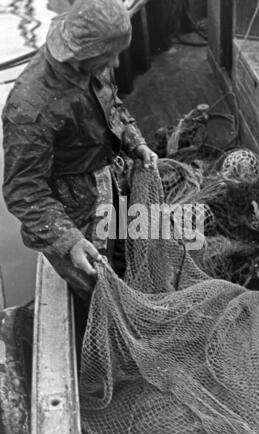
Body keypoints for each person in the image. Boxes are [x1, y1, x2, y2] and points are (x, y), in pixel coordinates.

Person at [2, 0, 158, 305]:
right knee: (100, 294)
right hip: (73, 213)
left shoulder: (92, 63)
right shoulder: (30, 108)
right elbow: (23, 190)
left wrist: (133, 140)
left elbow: (113, 106)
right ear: (83, 55)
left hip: (107, 180)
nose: (115, 65)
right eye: (109, 57)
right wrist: (69, 241)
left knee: (124, 259)